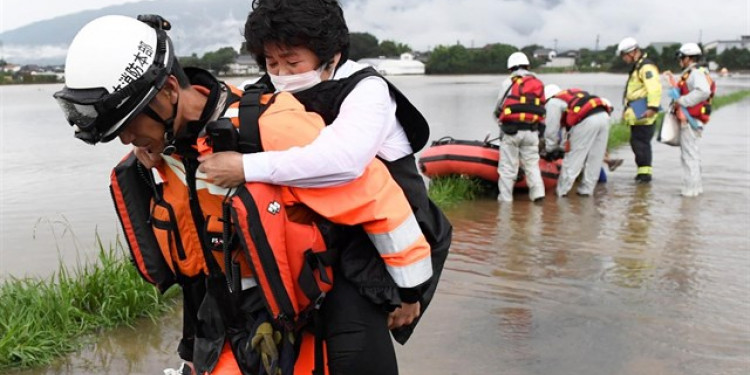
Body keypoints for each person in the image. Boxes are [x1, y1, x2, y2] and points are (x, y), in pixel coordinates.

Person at [54, 14, 434, 375]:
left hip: (299, 314)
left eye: (129, 123)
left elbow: (378, 201)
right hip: (220, 318)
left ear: (169, 92)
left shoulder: (269, 127)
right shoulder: (160, 147)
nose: (125, 139)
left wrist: (409, 290)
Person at [183, 1, 452, 373]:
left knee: (355, 354)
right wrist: (154, 145)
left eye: (293, 63)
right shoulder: (268, 89)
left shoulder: (367, 91)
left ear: (332, 56)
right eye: (271, 63)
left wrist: (246, 167)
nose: (281, 74)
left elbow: (342, 161)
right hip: (319, 242)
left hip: (377, 249)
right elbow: (218, 109)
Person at [492, 51, 546, 202]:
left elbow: (499, 107)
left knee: (508, 168)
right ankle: (538, 196)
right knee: (532, 166)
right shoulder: (538, 83)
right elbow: (542, 108)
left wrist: (498, 118)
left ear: (510, 68)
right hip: (532, 132)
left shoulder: (508, 83)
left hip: (511, 132)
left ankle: (505, 202)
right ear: (528, 66)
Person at [542, 84, 613, 197]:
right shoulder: (573, 95)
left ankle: (561, 193)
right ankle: (586, 191)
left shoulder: (553, 103)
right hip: (604, 116)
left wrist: (550, 149)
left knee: (573, 159)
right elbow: (568, 130)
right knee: (595, 158)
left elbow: (551, 130)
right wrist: (561, 146)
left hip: (586, 121)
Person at [667, 42, 715, 197]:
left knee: (689, 156)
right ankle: (695, 189)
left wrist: (681, 101)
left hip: (690, 120)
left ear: (688, 58)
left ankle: (690, 192)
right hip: (691, 119)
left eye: (681, 57)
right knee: (691, 155)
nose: (680, 60)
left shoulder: (695, 73)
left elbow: (703, 91)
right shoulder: (695, 72)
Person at [616, 37, 662, 183]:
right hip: (637, 111)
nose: (624, 59)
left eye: (625, 55)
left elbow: (654, 88)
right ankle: (642, 173)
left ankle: (644, 176)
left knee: (641, 143)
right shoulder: (638, 67)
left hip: (644, 112)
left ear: (634, 52)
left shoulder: (646, 67)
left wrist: (652, 108)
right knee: (637, 142)